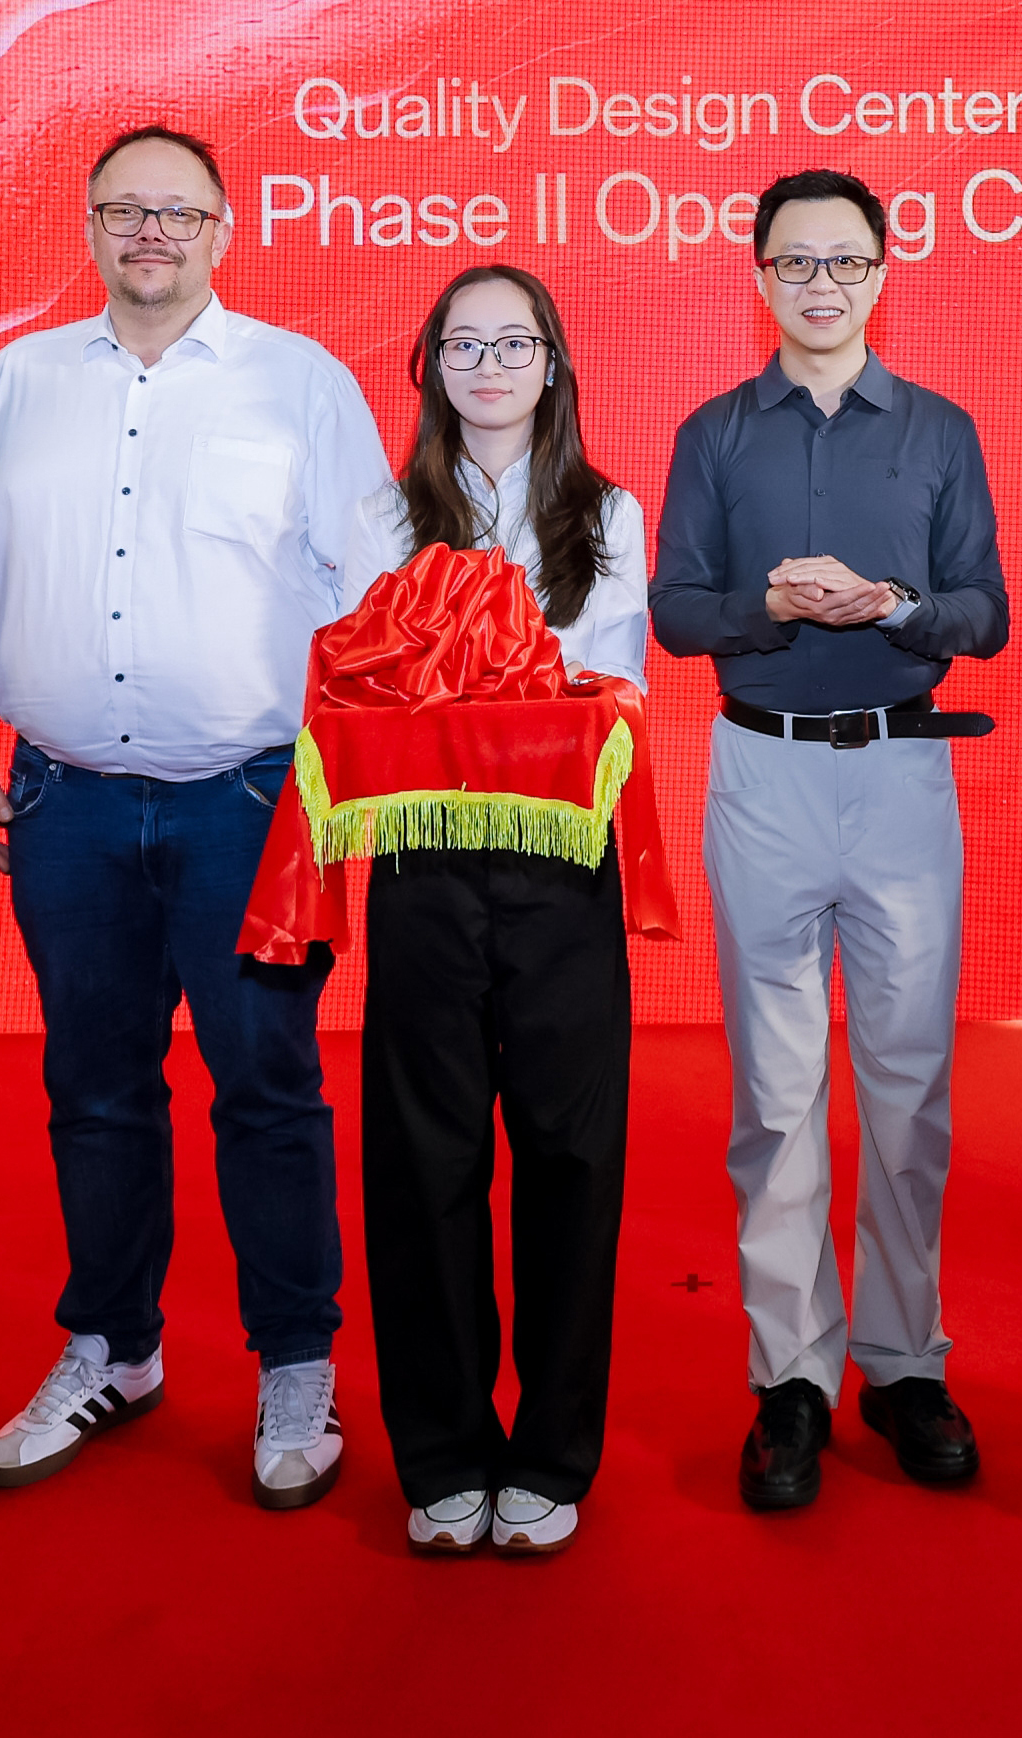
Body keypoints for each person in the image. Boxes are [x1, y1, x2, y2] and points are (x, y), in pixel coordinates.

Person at [0, 125, 393, 1511]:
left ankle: (295, 1361)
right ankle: (114, 1346)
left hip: (247, 802)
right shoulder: (18, 379)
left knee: (269, 1086)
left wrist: (342, 780)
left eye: (178, 211)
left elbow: (372, 588)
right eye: (124, 209)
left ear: (226, 228)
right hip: (60, 796)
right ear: (86, 223)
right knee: (95, 1086)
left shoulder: (297, 381)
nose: (150, 233)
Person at [653, 168, 1011, 1514]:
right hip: (762, 773)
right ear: (757, 275)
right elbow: (678, 614)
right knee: (776, 1094)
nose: (820, 284)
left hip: (902, 776)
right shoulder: (714, 433)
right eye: (795, 262)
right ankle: (790, 1374)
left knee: (910, 1090)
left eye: (845, 262)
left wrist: (899, 608)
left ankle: (903, 1360)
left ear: (880, 275)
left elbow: (989, 613)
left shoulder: (937, 429)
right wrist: (766, 599)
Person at [339, 265, 653, 1560]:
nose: (487, 364)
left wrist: (472, 675)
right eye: (462, 344)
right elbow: (361, 669)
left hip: (561, 857)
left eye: (511, 342)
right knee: (426, 1158)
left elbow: (615, 681)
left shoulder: (609, 512)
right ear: (429, 368)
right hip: (422, 858)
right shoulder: (382, 509)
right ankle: (446, 1446)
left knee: (573, 1152)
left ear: (555, 361)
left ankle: (552, 1448)